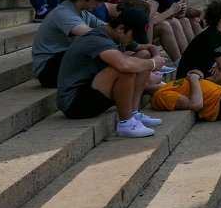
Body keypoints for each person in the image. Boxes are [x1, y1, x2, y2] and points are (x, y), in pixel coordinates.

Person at [56, 8, 168, 138]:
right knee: (125, 68)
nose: (133, 41)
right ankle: (126, 123)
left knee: (142, 60)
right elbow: (124, 65)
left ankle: (133, 112)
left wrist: (156, 57)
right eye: (133, 36)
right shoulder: (97, 38)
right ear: (121, 28)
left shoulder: (117, 35)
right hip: (74, 103)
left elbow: (148, 48)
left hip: (93, 91)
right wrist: (153, 63)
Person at [31, 0, 110, 88]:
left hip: (62, 63)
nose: (99, 5)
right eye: (97, 0)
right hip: (48, 71)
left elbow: (107, 28)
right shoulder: (64, 13)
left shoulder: (84, 14)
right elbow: (89, 34)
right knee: (91, 45)